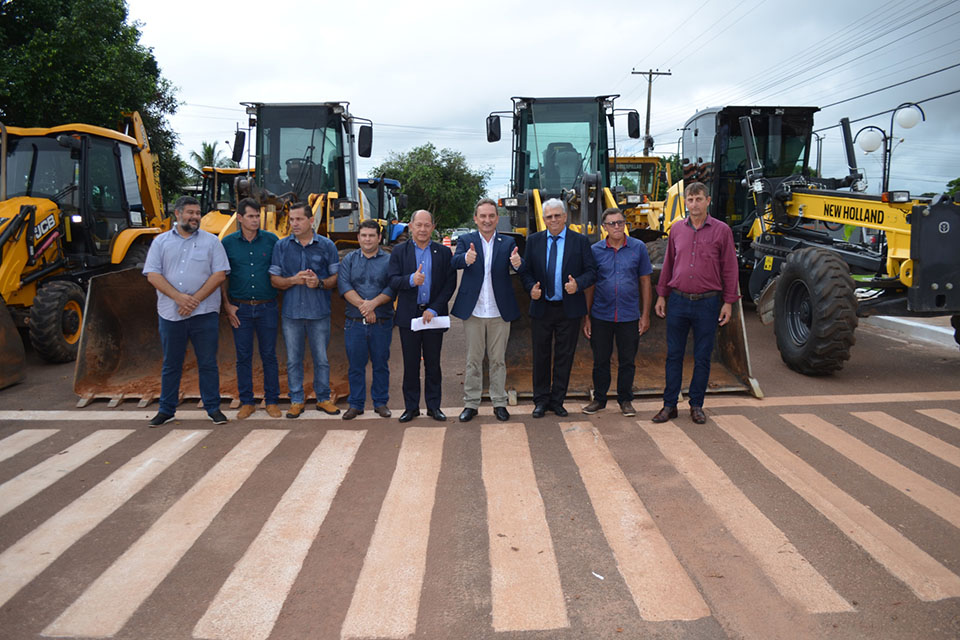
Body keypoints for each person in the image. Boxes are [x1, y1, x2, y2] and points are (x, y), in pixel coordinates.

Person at [652, 181, 739, 425]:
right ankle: (669, 405)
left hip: (708, 303)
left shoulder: (722, 231)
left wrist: (728, 302)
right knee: (674, 355)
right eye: (690, 200)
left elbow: (730, 269)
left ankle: (697, 405)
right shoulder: (677, 230)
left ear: (707, 201)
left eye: (698, 199)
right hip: (678, 301)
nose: (694, 204)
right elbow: (668, 263)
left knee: (702, 356)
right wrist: (662, 295)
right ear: (685, 202)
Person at [143, 195, 231, 427]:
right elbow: (153, 274)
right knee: (171, 363)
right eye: (190, 212)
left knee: (208, 363)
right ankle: (166, 409)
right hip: (171, 314)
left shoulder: (212, 242)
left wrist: (194, 300)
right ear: (178, 214)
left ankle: (213, 408)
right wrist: (179, 298)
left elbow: (219, 274)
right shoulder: (160, 242)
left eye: (198, 213)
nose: (195, 217)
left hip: (204, 314)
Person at [519, 198, 597, 418]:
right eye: (549, 217)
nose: (553, 220)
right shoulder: (533, 241)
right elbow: (526, 272)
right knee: (540, 355)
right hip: (542, 307)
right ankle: (541, 401)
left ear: (565, 217)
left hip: (569, 308)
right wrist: (530, 289)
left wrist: (578, 285)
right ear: (543, 219)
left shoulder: (580, 241)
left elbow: (592, 271)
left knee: (565, 355)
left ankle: (557, 400)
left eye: (557, 216)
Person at [451, 198, 524, 422]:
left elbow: (520, 265)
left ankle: (499, 403)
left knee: (498, 360)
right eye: (482, 216)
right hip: (474, 311)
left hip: (499, 311)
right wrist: (465, 258)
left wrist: (518, 263)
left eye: (491, 216)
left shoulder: (508, 242)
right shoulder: (466, 241)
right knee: (473, 360)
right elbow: (454, 262)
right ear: (476, 218)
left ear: (497, 218)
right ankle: (471, 404)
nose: (487, 220)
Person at [269, 201, 341, 418]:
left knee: (321, 358)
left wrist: (318, 282)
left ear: (311, 220)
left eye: (299, 219)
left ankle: (323, 399)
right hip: (292, 313)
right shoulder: (281, 246)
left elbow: (336, 279)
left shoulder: (327, 245)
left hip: (319, 312)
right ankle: (297, 400)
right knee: (293, 359)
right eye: (291, 219)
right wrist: (293, 280)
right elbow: (274, 280)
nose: (294, 223)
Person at [582, 208, 653, 417]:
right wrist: (586, 317)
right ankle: (600, 399)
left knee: (627, 360)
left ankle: (625, 399)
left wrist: (645, 314)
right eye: (611, 223)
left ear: (625, 224)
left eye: (620, 222)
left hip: (629, 315)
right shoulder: (595, 250)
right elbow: (590, 285)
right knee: (600, 360)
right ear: (604, 227)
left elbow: (645, 281)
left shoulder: (638, 248)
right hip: (601, 315)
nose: (616, 227)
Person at [387, 209, 456, 423]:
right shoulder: (399, 252)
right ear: (411, 226)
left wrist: (434, 308)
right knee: (411, 364)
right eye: (419, 225)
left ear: (433, 227)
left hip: (433, 315)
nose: (423, 229)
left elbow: (449, 284)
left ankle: (434, 407)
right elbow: (392, 280)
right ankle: (411, 407)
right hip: (410, 316)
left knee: (433, 364)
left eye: (427, 225)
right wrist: (410, 280)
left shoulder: (443, 253)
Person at [220, 197, 282, 419]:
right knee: (243, 356)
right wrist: (227, 306)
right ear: (239, 218)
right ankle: (247, 401)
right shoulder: (227, 244)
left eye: (258, 216)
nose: (255, 220)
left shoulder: (272, 241)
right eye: (251, 216)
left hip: (267, 307)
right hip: (241, 310)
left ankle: (272, 400)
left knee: (269, 355)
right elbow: (222, 277)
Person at [337, 220, 395, 420]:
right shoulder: (349, 261)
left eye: (372, 236)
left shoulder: (389, 260)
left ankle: (380, 403)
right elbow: (344, 287)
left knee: (380, 364)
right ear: (358, 238)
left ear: (379, 238)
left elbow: (392, 287)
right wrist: (365, 307)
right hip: (354, 323)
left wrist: (373, 305)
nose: (367, 239)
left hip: (381, 322)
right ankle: (356, 404)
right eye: (364, 235)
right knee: (355, 365)